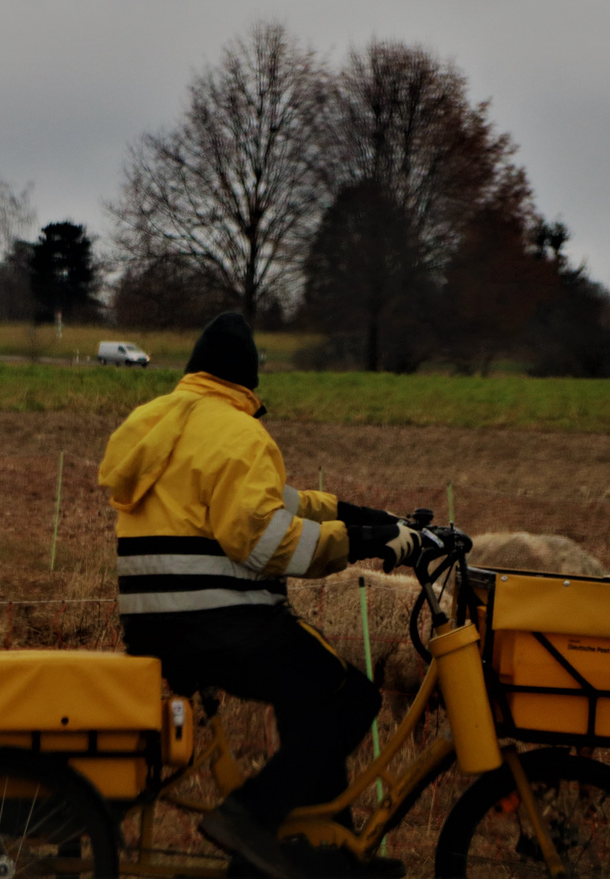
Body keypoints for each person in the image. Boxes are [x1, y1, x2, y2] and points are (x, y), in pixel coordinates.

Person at [98, 312, 425, 879]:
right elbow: (265, 542)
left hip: (154, 621)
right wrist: (360, 543)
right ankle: (249, 817)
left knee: (309, 694)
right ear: (248, 381)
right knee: (350, 698)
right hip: (224, 622)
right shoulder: (240, 433)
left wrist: (373, 520)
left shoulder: (155, 423)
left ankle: (322, 852)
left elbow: (281, 502)